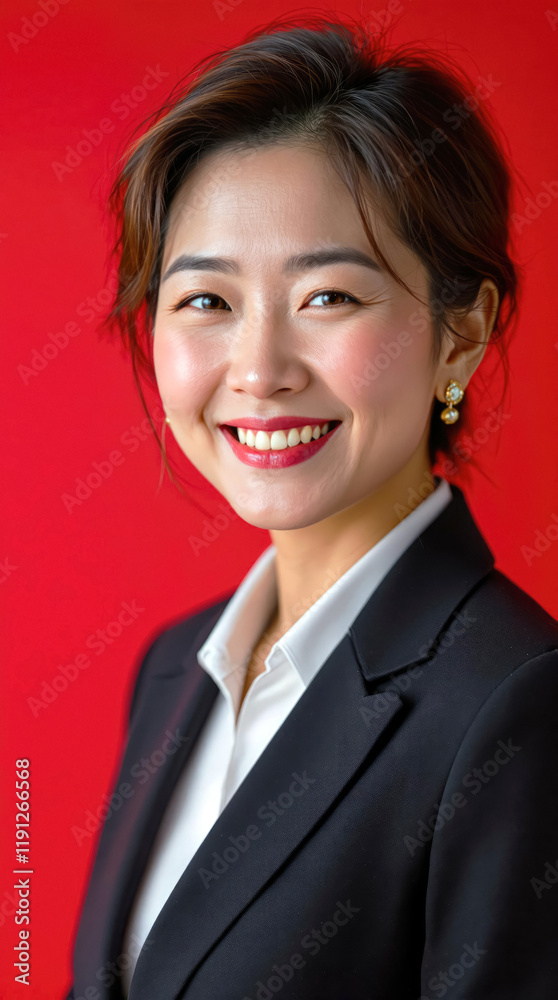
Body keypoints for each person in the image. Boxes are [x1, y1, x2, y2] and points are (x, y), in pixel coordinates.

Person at [66, 16, 558, 1000]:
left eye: (327, 296)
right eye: (206, 301)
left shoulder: (518, 705)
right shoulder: (176, 663)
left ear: (461, 333)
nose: (259, 371)